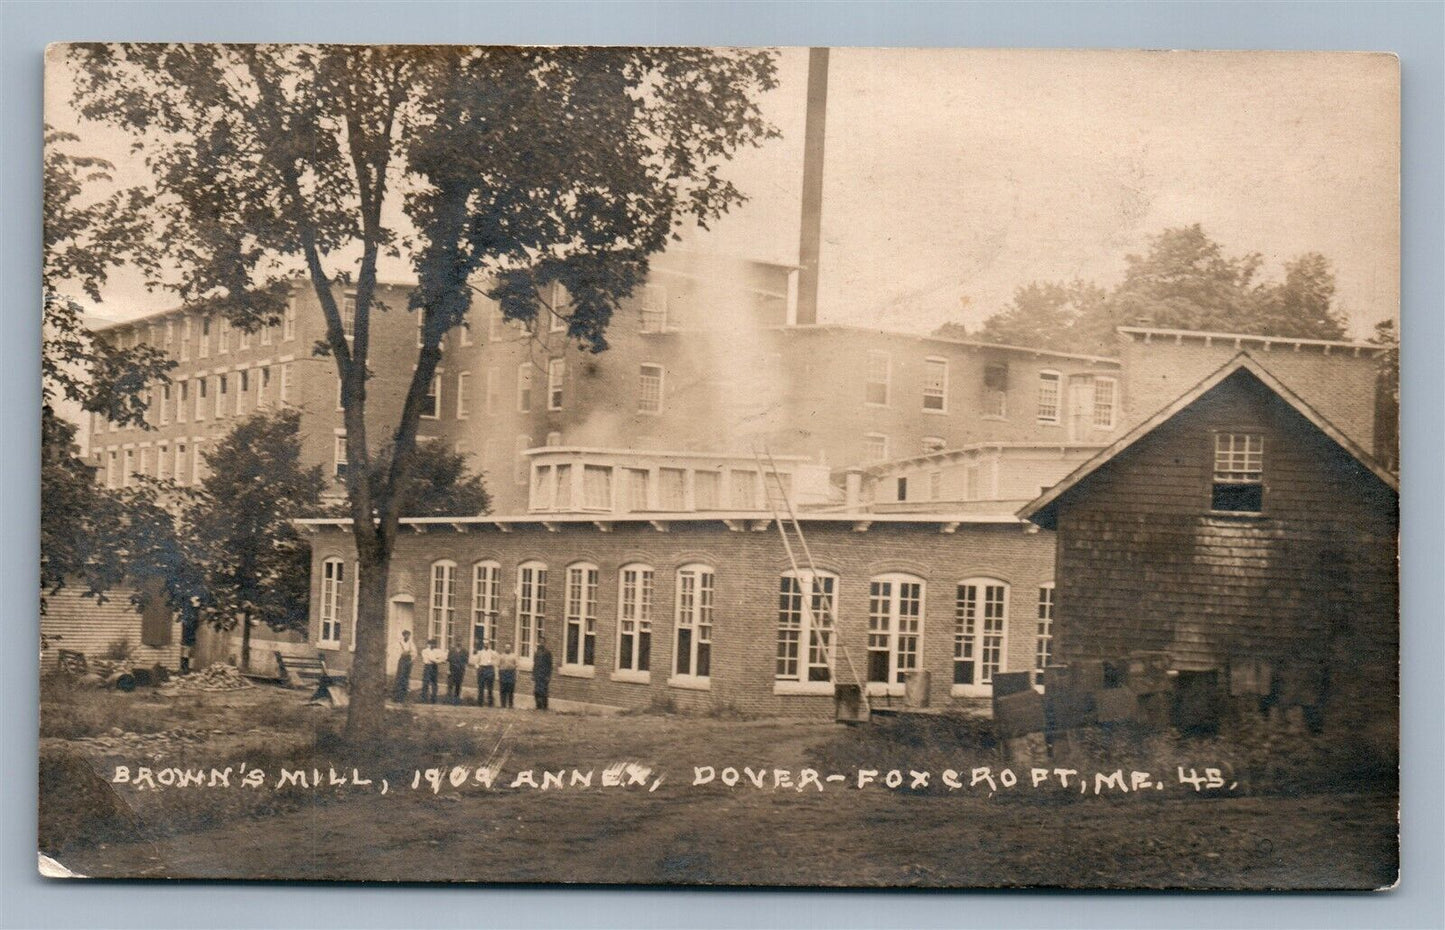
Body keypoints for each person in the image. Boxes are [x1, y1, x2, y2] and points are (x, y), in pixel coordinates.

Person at [470, 640, 498, 707]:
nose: (486, 645)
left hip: (489, 669)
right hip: (482, 669)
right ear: (483, 645)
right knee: (481, 687)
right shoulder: (480, 652)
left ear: (490, 644)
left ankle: (490, 704)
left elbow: (496, 663)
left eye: (487, 644)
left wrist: (492, 667)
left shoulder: (493, 653)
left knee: (490, 687)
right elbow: (476, 662)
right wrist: (478, 667)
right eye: (485, 644)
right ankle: (480, 703)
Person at [392, 629, 417, 702]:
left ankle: (403, 697)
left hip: (408, 661)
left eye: (408, 635)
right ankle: (397, 697)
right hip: (401, 661)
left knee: (406, 678)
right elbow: (396, 652)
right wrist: (402, 654)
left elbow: (414, 653)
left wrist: (411, 660)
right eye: (406, 635)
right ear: (403, 635)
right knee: (400, 677)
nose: (407, 636)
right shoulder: (399, 643)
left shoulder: (411, 643)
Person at [420, 637, 446, 704]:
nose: (432, 645)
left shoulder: (437, 651)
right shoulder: (425, 651)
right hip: (428, 667)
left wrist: (440, 659)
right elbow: (432, 659)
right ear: (428, 644)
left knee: (434, 683)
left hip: (434, 667)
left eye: (434, 644)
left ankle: (433, 699)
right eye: (431, 644)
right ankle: (423, 698)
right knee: (425, 683)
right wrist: (440, 661)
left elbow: (443, 656)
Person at [532, 636, 554, 711]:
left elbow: (550, 665)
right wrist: (533, 674)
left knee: (544, 691)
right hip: (537, 674)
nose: (541, 643)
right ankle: (538, 706)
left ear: (545, 643)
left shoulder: (547, 653)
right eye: (540, 641)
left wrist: (548, 676)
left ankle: (545, 706)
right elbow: (535, 664)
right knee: (536, 691)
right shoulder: (537, 652)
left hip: (544, 675)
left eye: (542, 642)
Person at [497, 642, 518, 709]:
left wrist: (516, 676)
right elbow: (498, 665)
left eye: (508, 647)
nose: (507, 649)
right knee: (503, 689)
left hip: (511, 673)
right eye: (506, 647)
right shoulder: (501, 656)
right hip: (503, 673)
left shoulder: (514, 656)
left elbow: (517, 666)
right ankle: (503, 705)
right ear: (504, 648)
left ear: (510, 648)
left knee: (510, 690)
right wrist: (498, 676)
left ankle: (510, 705)